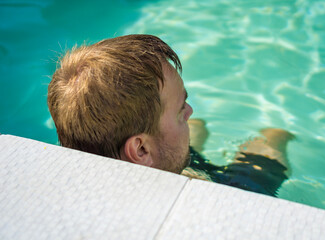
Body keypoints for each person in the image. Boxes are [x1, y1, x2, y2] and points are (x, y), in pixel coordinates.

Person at [48, 34, 294, 197]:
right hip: (197, 175)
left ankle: (185, 136)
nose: (189, 110)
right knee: (274, 140)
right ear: (140, 150)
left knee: (190, 133)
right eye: (181, 109)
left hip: (160, 156)